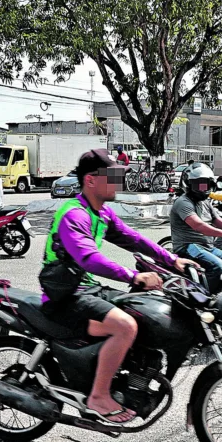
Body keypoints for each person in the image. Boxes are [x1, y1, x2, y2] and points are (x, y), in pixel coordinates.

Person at [40, 149, 197, 424]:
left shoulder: (101, 213)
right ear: (90, 180)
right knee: (126, 326)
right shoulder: (74, 214)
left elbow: (134, 239)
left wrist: (173, 260)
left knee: (146, 312)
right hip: (65, 297)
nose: (119, 182)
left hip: (86, 289)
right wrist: (134, 277)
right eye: (112, 176)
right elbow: (89, 259)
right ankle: (98, 395)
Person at [168, 162, 222, 294]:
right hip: (188, 247)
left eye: (206, 184)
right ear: (188, 184)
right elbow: (199, 226)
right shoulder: (183, 202)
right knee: (217, 266)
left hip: (206, 247)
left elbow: (219, 221)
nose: (203, 188)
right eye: (199, 184)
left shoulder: (205, 202)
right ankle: (204, 301)